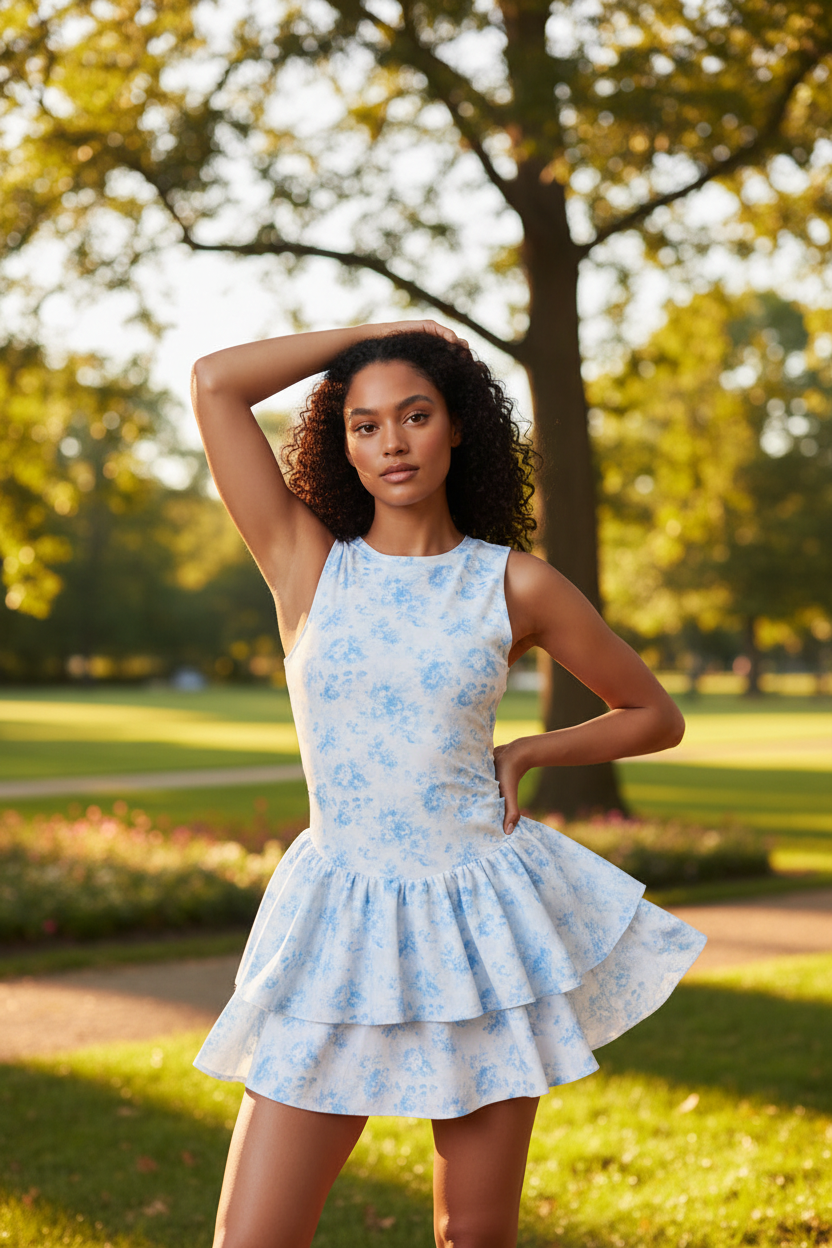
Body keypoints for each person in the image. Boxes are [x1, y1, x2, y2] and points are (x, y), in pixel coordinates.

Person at [189, 319, 706, 1248]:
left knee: (473, 1236)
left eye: (415, 414)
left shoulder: (516, 585)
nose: (391, 442)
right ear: (340, 443)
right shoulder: (306, 564)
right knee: (253, 1239)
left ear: (456, 426)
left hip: (478, 921)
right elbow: (216, 381)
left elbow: (652, 716)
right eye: (364, 423)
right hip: (335, 919)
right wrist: (386, 333)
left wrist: (532, 752)